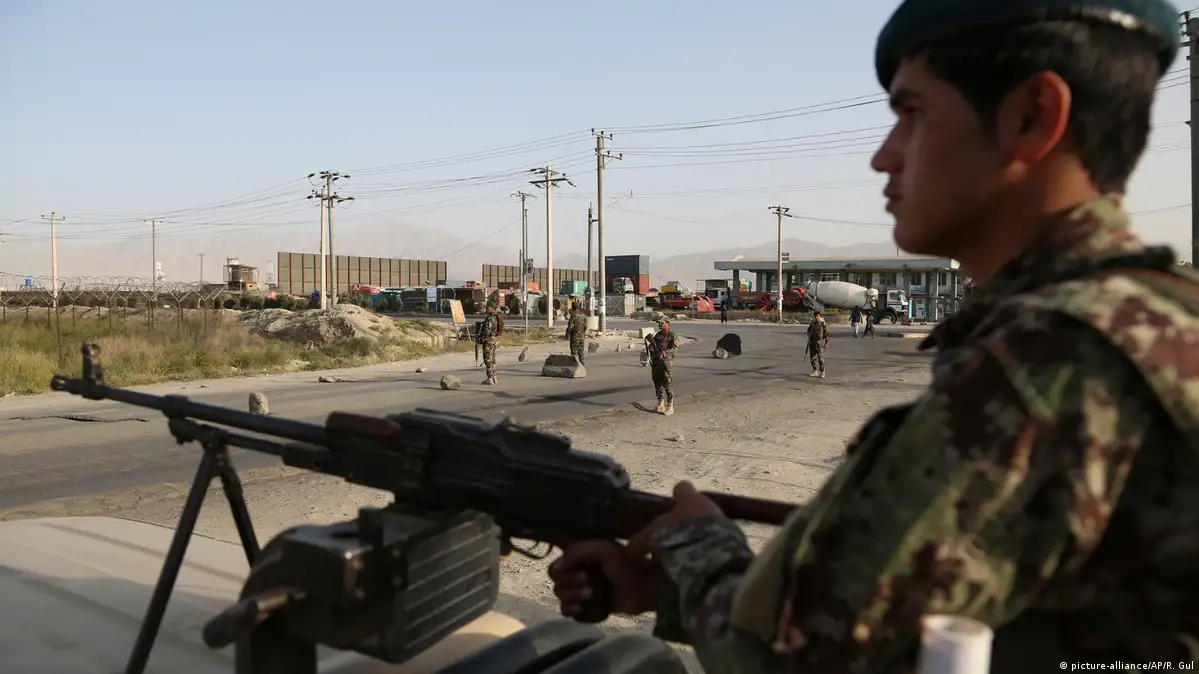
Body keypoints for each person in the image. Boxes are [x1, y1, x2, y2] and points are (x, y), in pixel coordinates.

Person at [547, 1, 1199, 671]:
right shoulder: (1161, 317)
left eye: (911, 114)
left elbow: (799, 661)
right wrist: (671, 590)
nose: (882, 157)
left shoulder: (1049, 357)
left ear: (1031, 117)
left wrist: (696, 548)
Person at [648, 317, 678, 415]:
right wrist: (651, 348)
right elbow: (652, 346)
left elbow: (674, 349)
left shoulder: (672, 335)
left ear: (667, 323)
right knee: (657, 383)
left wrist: (664, 353)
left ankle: (670, 405)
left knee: (667, 384)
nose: (660, 324)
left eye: (662, 323)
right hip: (656, 362)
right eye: (659, 323)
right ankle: (660, 404)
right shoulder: (657, 335)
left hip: (666, 363)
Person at [479, 303, 501, 385]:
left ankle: (490, 378)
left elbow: (487, 330)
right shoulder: (496, 317)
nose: (486, 309)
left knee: (488, 359)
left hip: (488, 340)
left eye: (488, 307)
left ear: (491, 308)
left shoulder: (490, 318)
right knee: (493, 359)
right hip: (493, 340)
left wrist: (481, 338)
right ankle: (494, 377)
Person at [805, 310, 828, 378]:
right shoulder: (813, 323)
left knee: (820, 358)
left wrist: (826, 343)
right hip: (812, 342)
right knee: (812, 358)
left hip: (819, 343)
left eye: (817, 316)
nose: (816, 317)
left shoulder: (823, 323)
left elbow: (826, 334)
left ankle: (822, 372)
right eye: (815, 316)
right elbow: (808, 330)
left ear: (820, 316)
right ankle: (815, 371)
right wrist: (809, 336)